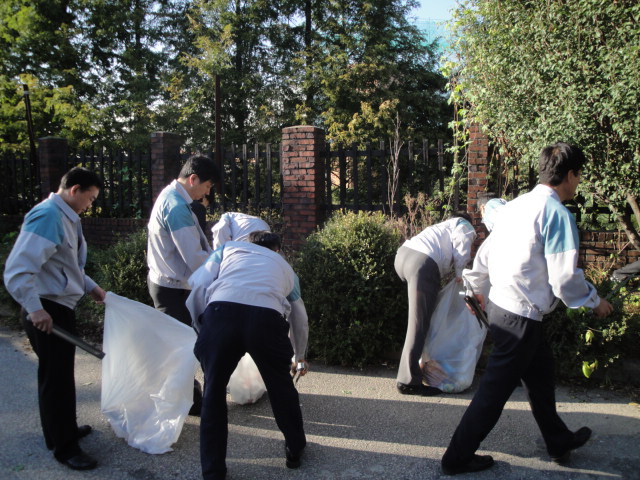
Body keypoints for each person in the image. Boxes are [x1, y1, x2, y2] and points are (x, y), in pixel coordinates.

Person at [441, 142, 614, 475]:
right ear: (571, 174)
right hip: (520, 317)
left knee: (540, 377)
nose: (578, 182)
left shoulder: (516, 206)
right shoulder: (557, 215)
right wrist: (595, 301)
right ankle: (456, 458)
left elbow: (487, 253)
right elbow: (565, 279)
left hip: (506, 310)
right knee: (493, 392)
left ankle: (557, 440)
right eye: (579, 176)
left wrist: (475, 287)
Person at [3, 167, 106, 470]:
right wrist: (35, 309)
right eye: (90, 197)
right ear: (75, 190)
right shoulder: (48, 216)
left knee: (60, 375)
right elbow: (18, 270)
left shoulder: (64, 217)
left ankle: (63, 431)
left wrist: (91, 287)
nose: (91, 204)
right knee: (56, 379)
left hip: (58, 305)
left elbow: (67, 264)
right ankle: (65, 448)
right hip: (47, 309)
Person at [188, 231, 307, 480]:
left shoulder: (227, 250)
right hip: (267, 320)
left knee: (214, 392)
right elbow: (299, 316)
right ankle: (294, 449)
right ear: (278, 250)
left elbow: (198, 284)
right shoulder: (285, 268)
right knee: (281, 386)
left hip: (220, 313)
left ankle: (213, 470)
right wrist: (299, 355)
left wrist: (203, 327)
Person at [147, 154, 220, 415]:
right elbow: (194, 258)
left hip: (170, 283)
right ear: (193, 179)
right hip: (172, 288)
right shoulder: (177, 206)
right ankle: (186, 400)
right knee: (180, 346)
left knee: (181, 343)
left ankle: (188, 396)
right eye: (208, 186)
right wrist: (223, 260)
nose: (207, 192)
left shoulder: (173, 198)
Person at [395, 214, 477, 396]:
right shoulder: (463, 225)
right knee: (418, 324)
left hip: (403, 256)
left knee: (419, 320)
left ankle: (412, 373)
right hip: (422, 264)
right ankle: (408, 381)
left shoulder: (441, 227)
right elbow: (462, 244)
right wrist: (460, 273)